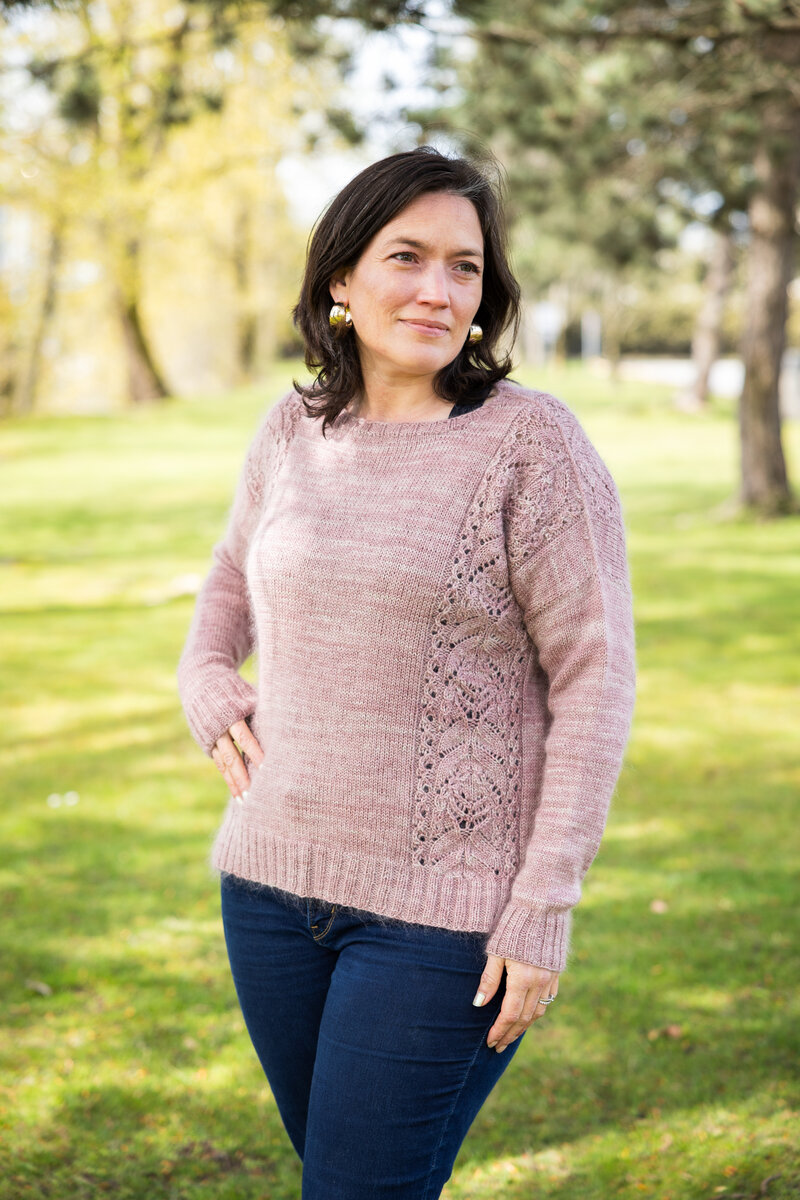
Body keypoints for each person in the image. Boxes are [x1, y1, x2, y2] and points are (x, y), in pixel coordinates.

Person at [176, 145, 637, 1199]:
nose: (437, 290)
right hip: (267, 888)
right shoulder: (292, 428)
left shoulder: (532, 447)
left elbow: (593, 682)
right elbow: (228, 578)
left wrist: (544, 903)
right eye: (407, 256)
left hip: (445, 922)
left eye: (464, 267)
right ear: (340, 278)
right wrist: (204, 679)